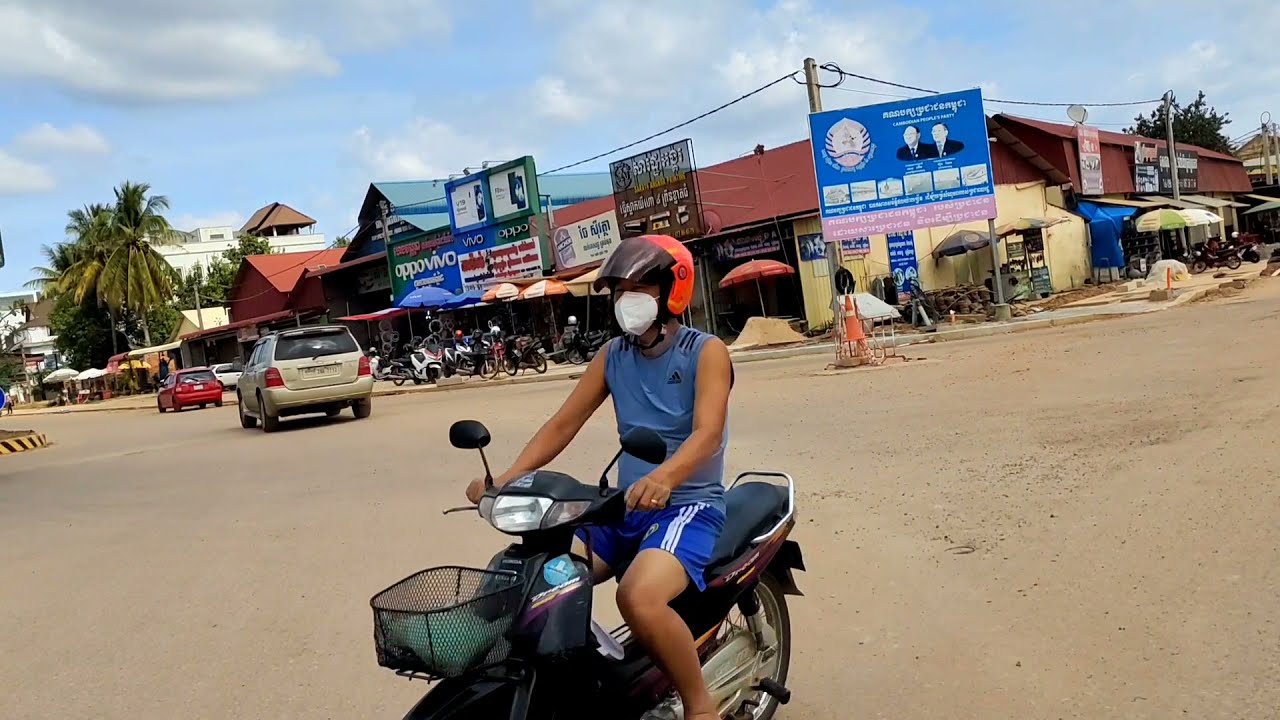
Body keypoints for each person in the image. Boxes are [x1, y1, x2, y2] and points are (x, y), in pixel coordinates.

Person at [465, 234, 732, 720]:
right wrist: (504, 479)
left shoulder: (705, 351)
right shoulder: (613, 355)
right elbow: (563, 424)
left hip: (688, 505)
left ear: (672, 289)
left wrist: (667, 477)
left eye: (639, 287)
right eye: (618, 289)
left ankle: (699, 707)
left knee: (638, 598)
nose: (625, 299)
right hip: (624, 504)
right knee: (541, 576)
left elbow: (708, 433)